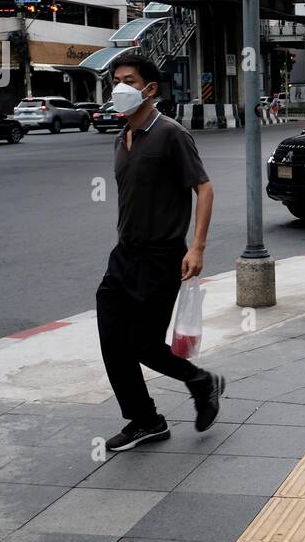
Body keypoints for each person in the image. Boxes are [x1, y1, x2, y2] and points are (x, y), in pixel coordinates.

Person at [96, 54, 225, 451]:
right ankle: (145, 419)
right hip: (124, 256)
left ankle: (201, 381)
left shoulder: (170, 133)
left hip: (161, 256)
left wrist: (197, 247)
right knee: (112, 338)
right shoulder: (122, 138)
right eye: (115, 79)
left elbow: (203, 188)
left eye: (129, 80)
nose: (119, 87)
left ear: (150, 89)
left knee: (144, 345)